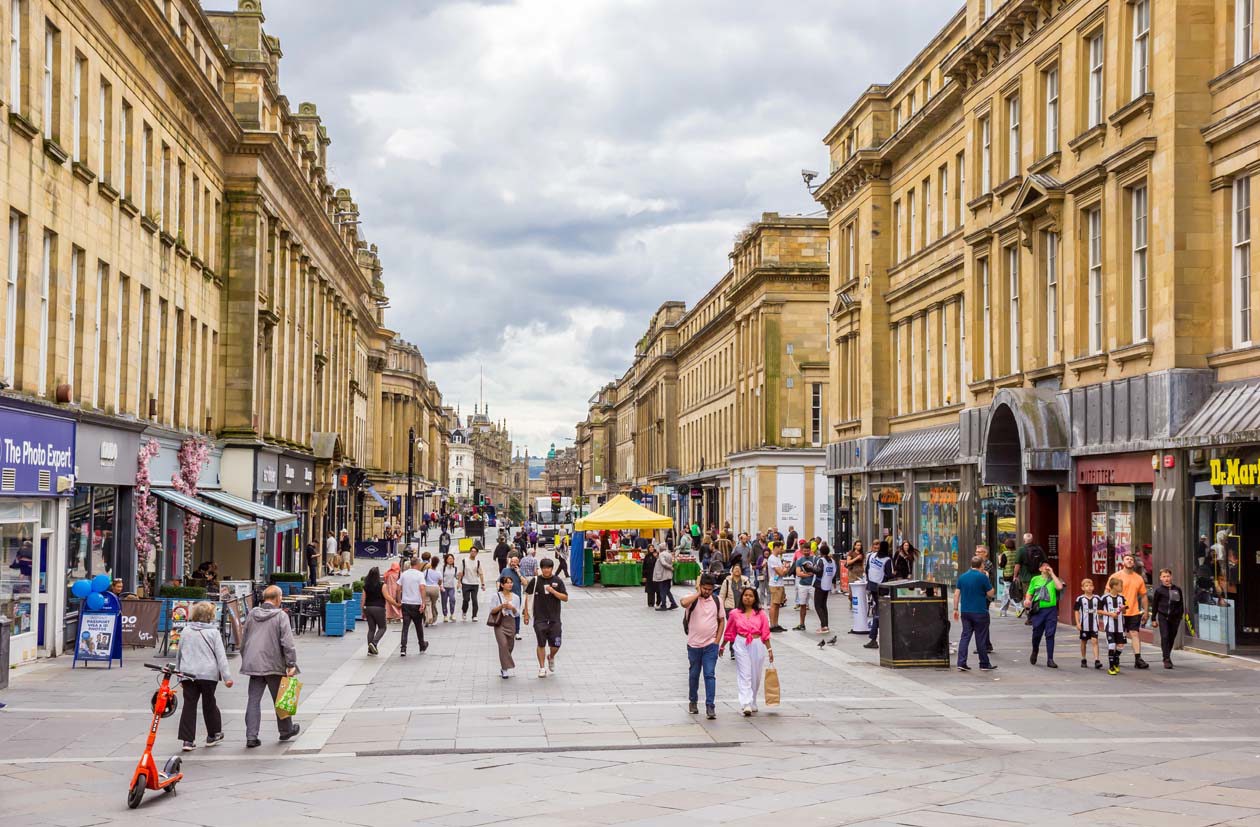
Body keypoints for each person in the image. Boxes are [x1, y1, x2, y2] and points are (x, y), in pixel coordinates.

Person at [239, 585, 300, 747]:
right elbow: (287, 642)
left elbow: (244, 639)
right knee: (281, 698)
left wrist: (246, 657)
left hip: (254, 663)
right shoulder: (281, 616)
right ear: (278, 598)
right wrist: (291, 664)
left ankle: (251, 736)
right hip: (274, 662)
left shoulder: (252, 614)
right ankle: (286, 730)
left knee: (253, 700)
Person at [175, 601, 233, 751]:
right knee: (209, 703)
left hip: (188, 674)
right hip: (208, 674)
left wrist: (178, 675)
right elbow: (221, 657)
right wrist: (227, 677)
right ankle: (212, 735)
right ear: (210, 616)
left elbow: (179, 654)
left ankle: (187, 740)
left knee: (189, 705)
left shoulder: (186, 631)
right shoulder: (213, 632)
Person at [720, 586, 773, 717]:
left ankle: (753, 700)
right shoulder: (734, 613)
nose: (747, 598)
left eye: (750, 596)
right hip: (740, 643)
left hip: (757, 643)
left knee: (756, 675)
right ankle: (746, 703)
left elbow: (765, 633)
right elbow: (730, 631)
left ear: (755, 598)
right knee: (745, 674)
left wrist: (770, 649)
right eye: (745, 595)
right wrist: (723, 645)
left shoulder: (761, 614)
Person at [681, 574, 725, 720]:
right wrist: (698, 594)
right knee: (694, 674)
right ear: (700, 587)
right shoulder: (692, 598)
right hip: (694, 645)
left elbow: (721, 620)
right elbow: (683, 603)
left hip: (710, 645)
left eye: (710, 589)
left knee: (709, 674)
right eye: (705, 589)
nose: (707, 592)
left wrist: (717, 641)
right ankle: (693, 701)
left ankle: (710, 705)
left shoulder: (717, 601)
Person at [523, 558, 568, 677]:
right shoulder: (536, 580)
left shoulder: (557, 580)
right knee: (541, 643)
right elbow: (528, 596)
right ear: (541, 569)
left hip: (554, 618)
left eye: (548, 568)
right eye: (544, 568)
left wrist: (553, 591)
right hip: (539, 618)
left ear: (552, 568)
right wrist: (526, 614)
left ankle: (551, 656)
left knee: (556, 644)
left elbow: (565, 597)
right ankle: (542, 667)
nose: (546, 570)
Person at [952, 556, 996, 672]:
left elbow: (956, 594)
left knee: (965, 636)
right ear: (981, 565)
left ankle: (961, 662)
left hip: (965, 611)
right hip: (980, 611)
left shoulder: (962, 577)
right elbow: (990, 593)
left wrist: (955, 609)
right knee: (980, 638)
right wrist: (987, 578)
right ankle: (984, 663)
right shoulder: (982, 577)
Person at [1024, 561, 1064, 668]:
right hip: (1038, 610)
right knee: (1036, 633)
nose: (1046, 567)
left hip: (1051, 610)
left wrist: (1052, 574)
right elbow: (1030, 592)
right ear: (1040, 569)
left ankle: (1050, 659)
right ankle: (1035, 650)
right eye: (1044, 566)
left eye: (1048, 565)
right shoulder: (1035, 579)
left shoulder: (1054, 579)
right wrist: (1027, 600)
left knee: (1050, 634)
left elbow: (1060, 587)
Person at [1116, 552, 1151, 669]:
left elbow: (1144, 596)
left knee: (1135, 633)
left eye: (1131, 559)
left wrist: (1146, 612)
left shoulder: (1138, 578)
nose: (1130, 561)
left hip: (1134, 611)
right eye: (1127, 559)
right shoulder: (1116, 576)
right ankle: (1115, 657)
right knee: (1120, 637)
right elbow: (1107, 593)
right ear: (1123, 562)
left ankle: (1138, 659)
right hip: (1119, 612)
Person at [1149, 568, 1185, 669]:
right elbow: (1155, 604)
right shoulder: (1159, 591)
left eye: (1168, 576)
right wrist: (1153, 619)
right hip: (1163, 616)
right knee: (1164, 636)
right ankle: (1166, 659)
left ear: (1171, 577)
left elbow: (1180, 603)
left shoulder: (1177, 589)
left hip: (1175, 617)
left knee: (1171, 637)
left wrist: (1180, 615)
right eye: (1164, 577)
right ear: (1160, 578)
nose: (1166, 579)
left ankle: (1167, 654)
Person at [489, 575, 522, 678]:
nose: (510, 584)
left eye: (511, 582)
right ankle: (505, 669)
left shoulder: (516, 597)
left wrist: (512, 608)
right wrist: (502, 606)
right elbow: (492, 610)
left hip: (511, 622)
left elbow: (517, 614)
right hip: (500, 623)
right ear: (502, 585)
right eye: (507, 583)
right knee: (503, 645)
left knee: (510, 646)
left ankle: (504, 666)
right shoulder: (496, 596)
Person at [864, 541, 892, 649]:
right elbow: (889, 574)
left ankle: (874, 638)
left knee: (878, 609)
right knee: (880, 612)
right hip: (882, 588)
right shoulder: (887, 560)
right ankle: (874, 638)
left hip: (872, 586)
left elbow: (867, 569)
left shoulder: (871, 556)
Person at [362, 566, 397, 655]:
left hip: (368, 608)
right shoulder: (382, 585)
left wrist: (363, 611)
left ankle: (370, 650)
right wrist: (396, 604)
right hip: (379, 608)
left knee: (371, 629)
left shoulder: (365, 586)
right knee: (382, 627)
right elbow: (387, 597)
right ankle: (374, 643)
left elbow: (363, 599)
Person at [397, 560, 429, 656]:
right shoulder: (420, 574)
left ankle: (403, 648)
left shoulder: (404, 574)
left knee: (405, 627)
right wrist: (423, 602)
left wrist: (399, 600)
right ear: (418, 565)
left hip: (406, 603)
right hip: (416, 603)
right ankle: (421, 645)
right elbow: (422, 588)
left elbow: (398, 588)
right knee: (418, 626)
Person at [1013, 534, 1046, 625]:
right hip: (1039, 578)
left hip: (1026, 578)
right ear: (1032, 540)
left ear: (1024, 540)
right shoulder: (1039, 549)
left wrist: (1015, 575)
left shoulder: (1021, 550)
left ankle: (1030, 618)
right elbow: (1044, 562)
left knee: (1028, 598)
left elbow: (1017, 565)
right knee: (1039, 597)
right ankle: (1040, 616)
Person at [1100, 576, 1128, 675]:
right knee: (1112, 645)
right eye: (1121, 585)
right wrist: (1110, 614)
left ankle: (1115, 659)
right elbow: (1098, 611)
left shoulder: (1121, 598)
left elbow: (1124, 611)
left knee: (1120, 646)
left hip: (1120, 626)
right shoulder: (1105, 598)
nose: (1122, 587)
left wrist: (1123, 609)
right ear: (1114, 586)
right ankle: (1111, 667)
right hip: (1110, 626)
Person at [1074, 578, 1103, 670]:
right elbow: (1076, 611)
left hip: (1094, 624)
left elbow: (1101, 610)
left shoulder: (1097, 598)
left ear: (1093, 587)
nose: (1089, 587)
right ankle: (1083, 658)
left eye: (1090, 586)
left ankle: (1097, 660)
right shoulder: (1080, 599)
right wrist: (1078, 623)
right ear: (1082, 588)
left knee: (1095, 641)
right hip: (1084, 624)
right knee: (1084, 641)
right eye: (1086, 586)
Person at [813, 543, 838, 634]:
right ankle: (825, 625)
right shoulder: (832, 561)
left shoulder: (821, 560)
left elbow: (818, 571)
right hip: (827, 585)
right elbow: (835, 572)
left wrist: (811, 568)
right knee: (823, 605)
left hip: (820, 584)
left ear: (820, 551)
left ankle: (824, 626)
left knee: (818, 605)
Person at [792, 544, 816, 631]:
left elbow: (817, 571)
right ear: (802, 551)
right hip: (802, 585)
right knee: (802, 605)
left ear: (810, 550)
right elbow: (798, 573)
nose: (806, 552)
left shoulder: (814, 559)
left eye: (807, 550)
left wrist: (805, 574)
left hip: (813, 585)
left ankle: (823, 624)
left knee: (818, 605)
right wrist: (808, 574)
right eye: (804, 550)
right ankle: (802, 624)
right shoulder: (799, 560)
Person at [767, 542, 789, 633]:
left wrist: (784, 569)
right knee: (774, 605)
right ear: (775, 547)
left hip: (779, 583)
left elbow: (782, 572)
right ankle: (772, 625)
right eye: (780, 548)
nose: (781, 550)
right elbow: (781, 573)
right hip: (775, 584)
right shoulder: (772, 558)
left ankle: (776, 624)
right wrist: (786, 568)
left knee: (778, 605)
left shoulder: (778, 558)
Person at [460, 546, 486, 621]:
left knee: (474, 600)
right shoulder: (464, 561)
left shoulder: (477, 562)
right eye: (472, 551)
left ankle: (474, 615)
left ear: (477, 553)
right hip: (465, 583)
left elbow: (481, 573)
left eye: (475, 551)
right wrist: (459, 582)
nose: (473, 553)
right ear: (470, 552)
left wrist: (483, 584)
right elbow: (460, 572)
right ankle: (464, 611)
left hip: (475, 583)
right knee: (466, 599)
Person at [654, 543, 678, 610]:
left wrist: (670, 567)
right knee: (667, 590)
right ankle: (673, 603)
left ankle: (663, 605)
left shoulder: (661, 554)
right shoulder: (669, 554)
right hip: (668, 575)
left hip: (663, 575)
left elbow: (663, 563)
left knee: (662, 590)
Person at [998, 541, 1018, 616]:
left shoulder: (1005, 554)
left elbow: (1001, 566)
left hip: (1007, 575)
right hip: (1015, 575)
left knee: (1009, 594)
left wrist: (999, 559)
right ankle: (1003, 611)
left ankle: (1019, 607)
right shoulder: (1016, 553)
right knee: (1005, 594)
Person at [423, 558, 443, 625]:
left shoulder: (427, 571)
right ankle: (434, 619)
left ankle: (428, 617)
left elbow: (423, 578)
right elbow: (440, 581)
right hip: (435, 588)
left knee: (428, 604)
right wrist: (438, 584)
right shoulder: (438, 572)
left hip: (427, 587)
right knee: (433, 604)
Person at [440, 552, 458, 622]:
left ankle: (452, 614)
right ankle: (445, 615)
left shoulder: (455, 568)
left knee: (452, 599)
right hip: (444, 587)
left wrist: (459, 576)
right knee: (444, 601)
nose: (451, 560)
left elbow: (456, 576)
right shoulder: (443, 568)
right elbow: (440, 578)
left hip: (451, 587)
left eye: (452, 559)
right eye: (449, 558)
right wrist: (441, 586)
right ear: (446, 560)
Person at [643, 544, 659, 608]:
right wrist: (644, 576)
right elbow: (644, 566)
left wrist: (656, 557)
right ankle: (650, 603)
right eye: (650, 547)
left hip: (655, 575)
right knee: (649, 589)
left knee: (656, 589)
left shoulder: (656, 555)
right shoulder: (646, 556)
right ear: (648, 549)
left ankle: (656, 602)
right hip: (649, 575)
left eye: (652, 547)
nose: (651, 548)